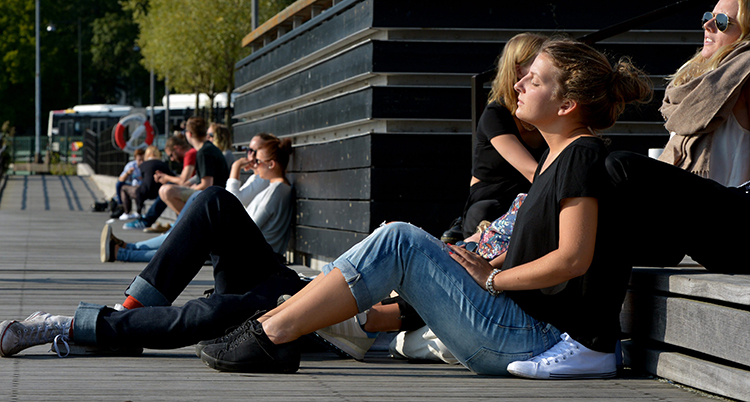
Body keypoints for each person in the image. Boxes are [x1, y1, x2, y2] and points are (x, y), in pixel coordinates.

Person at [186, 37, 653, 377]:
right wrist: (483, 262)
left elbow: (573, 259)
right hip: (514, 324)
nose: (520, 83)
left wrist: (492, 278)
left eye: (536, 78)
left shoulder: (581, 153)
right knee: (402, 238)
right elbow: (545, 249)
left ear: (568, 103)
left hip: (534, 337)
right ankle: (270, 329)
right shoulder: (558, 157)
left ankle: (270, 335)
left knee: (400, 239)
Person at [2, 187, 419, 362]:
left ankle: (74, 327)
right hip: (307, 285)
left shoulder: (453, 299)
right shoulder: (467, 247)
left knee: (213, 313)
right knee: (213, 201)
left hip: (326, 320)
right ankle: (127, 311)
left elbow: (381, 317)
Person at [102, 133, 295, 263]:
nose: (252, 161)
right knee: (185, 232)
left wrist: (235, 169)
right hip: (246, 248)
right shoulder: (272, 187)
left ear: (271, 164)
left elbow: (250, 228)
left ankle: (125, 252)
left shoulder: (275, 191)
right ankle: (127, 249)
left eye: (257, 159)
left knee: (186, 239)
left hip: (252, 256)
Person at [442, 33, 548, 242]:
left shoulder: (544, 112)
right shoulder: (496, 113)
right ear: (519, 70)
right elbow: (531, 171)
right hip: (493, 203)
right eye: (541, 62)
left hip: (529, 200)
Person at [658, 0, 750, 187]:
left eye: (722, 22)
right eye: (709, 17)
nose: (707, 26)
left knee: (619, 164)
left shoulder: (744, 78)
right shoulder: (692, 80)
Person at [159, 117, 230, 215]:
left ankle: (190, 223)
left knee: (167, 191)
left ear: (190, 134)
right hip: (214, 194)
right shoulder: (207, 149)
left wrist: (192, 188)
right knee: (165, 190)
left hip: (213, 196)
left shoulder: (204, 152)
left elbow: (206, 185)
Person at [124, 134, 195, 230]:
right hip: (194, 188)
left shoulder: (190, 154)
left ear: (177, 148)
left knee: (168, 189)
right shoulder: (192, 154)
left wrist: (166, 177)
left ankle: (147, 220)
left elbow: (183, 180)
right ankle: (178, 222)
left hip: (198, 191)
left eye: (171, 155)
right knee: (168, 188)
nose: (172, 159)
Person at [116, 148, 145, 220]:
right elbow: (121, 179)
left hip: (143, 186)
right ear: (135, 159)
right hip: (133, 185)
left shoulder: (146, 165)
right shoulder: (131, 165)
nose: (141, 162)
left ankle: (134, 211)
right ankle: (121, 206)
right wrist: (128, 173)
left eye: (143, 160)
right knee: (119, 185)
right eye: (139, 160)